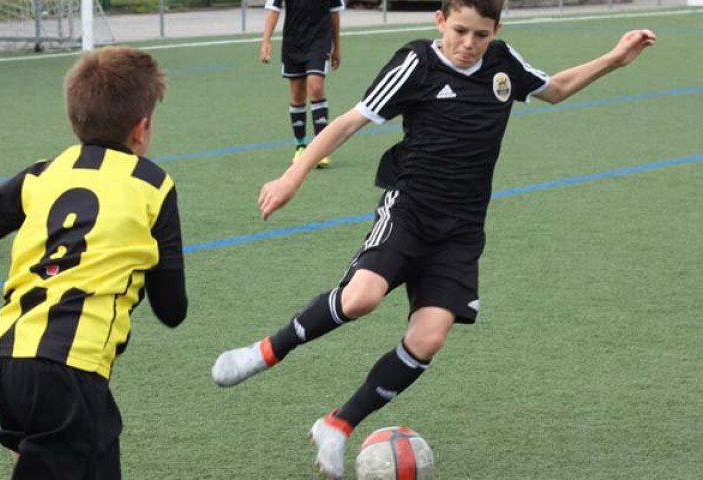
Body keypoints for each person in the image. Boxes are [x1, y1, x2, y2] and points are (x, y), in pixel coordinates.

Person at [212, 0, 656, 477]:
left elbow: (558, 88)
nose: (468, 44)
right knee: (361, 298)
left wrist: (616, 57)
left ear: (495, 30)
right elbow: (349, 121)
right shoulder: (417, 63)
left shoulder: (504, 64)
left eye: (480, 35)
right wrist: (292, 175)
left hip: (462, 231)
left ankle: (337, 425)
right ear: (440, 20)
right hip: (410, 212)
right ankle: (263, 353)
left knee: (429, 338)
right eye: (460, 30)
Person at [0, 47, 187, 480]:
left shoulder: (44, 172)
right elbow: (172, 310)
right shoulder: (153, 184)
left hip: (3, 362)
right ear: (142, 128)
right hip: (69, 373)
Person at [260, 0, 344, 168]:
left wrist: (337, 47)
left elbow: (334, 11)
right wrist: (266, 40)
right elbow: (273, 8)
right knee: (298, 94)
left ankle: (320, 150)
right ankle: (300, 146)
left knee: (315, 86)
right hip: (294, 41)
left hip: (319, 40)